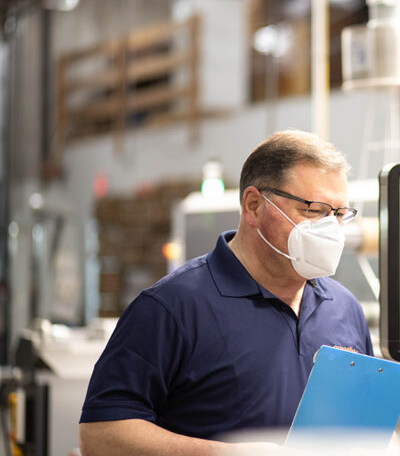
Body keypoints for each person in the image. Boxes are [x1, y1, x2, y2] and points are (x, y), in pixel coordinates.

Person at [79, 130, 373, 455]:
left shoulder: (344, 309)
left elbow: (371, 425)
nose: (330, 229)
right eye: (314, 210)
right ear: (254, 205)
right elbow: (100, 435)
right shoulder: (172, 308)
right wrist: (228, 454)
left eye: (339, 214)